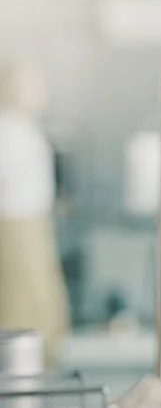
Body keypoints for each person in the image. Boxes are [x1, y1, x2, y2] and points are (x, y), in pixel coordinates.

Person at [0, 57, 69, 365]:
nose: (41, 90)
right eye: (32, 83)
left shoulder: (22, 127)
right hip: (15, 229)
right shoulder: (8, 129)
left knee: (38, 304)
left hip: (32, 227)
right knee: (21, 307)